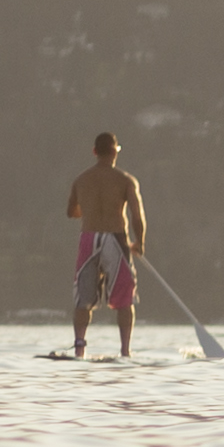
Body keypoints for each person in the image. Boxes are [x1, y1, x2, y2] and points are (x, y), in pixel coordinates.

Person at [63, 131, 149, 357]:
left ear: (94, 152)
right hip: (116, 238)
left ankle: (79, 350)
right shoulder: (126, 180)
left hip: (89, 238)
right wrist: (139, 243)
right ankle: (125, 352)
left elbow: (71, 212)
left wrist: (91, 208)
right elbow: (137, 216)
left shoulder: (81, 180)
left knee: (83, 299)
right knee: (124, 299)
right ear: (114, 152)